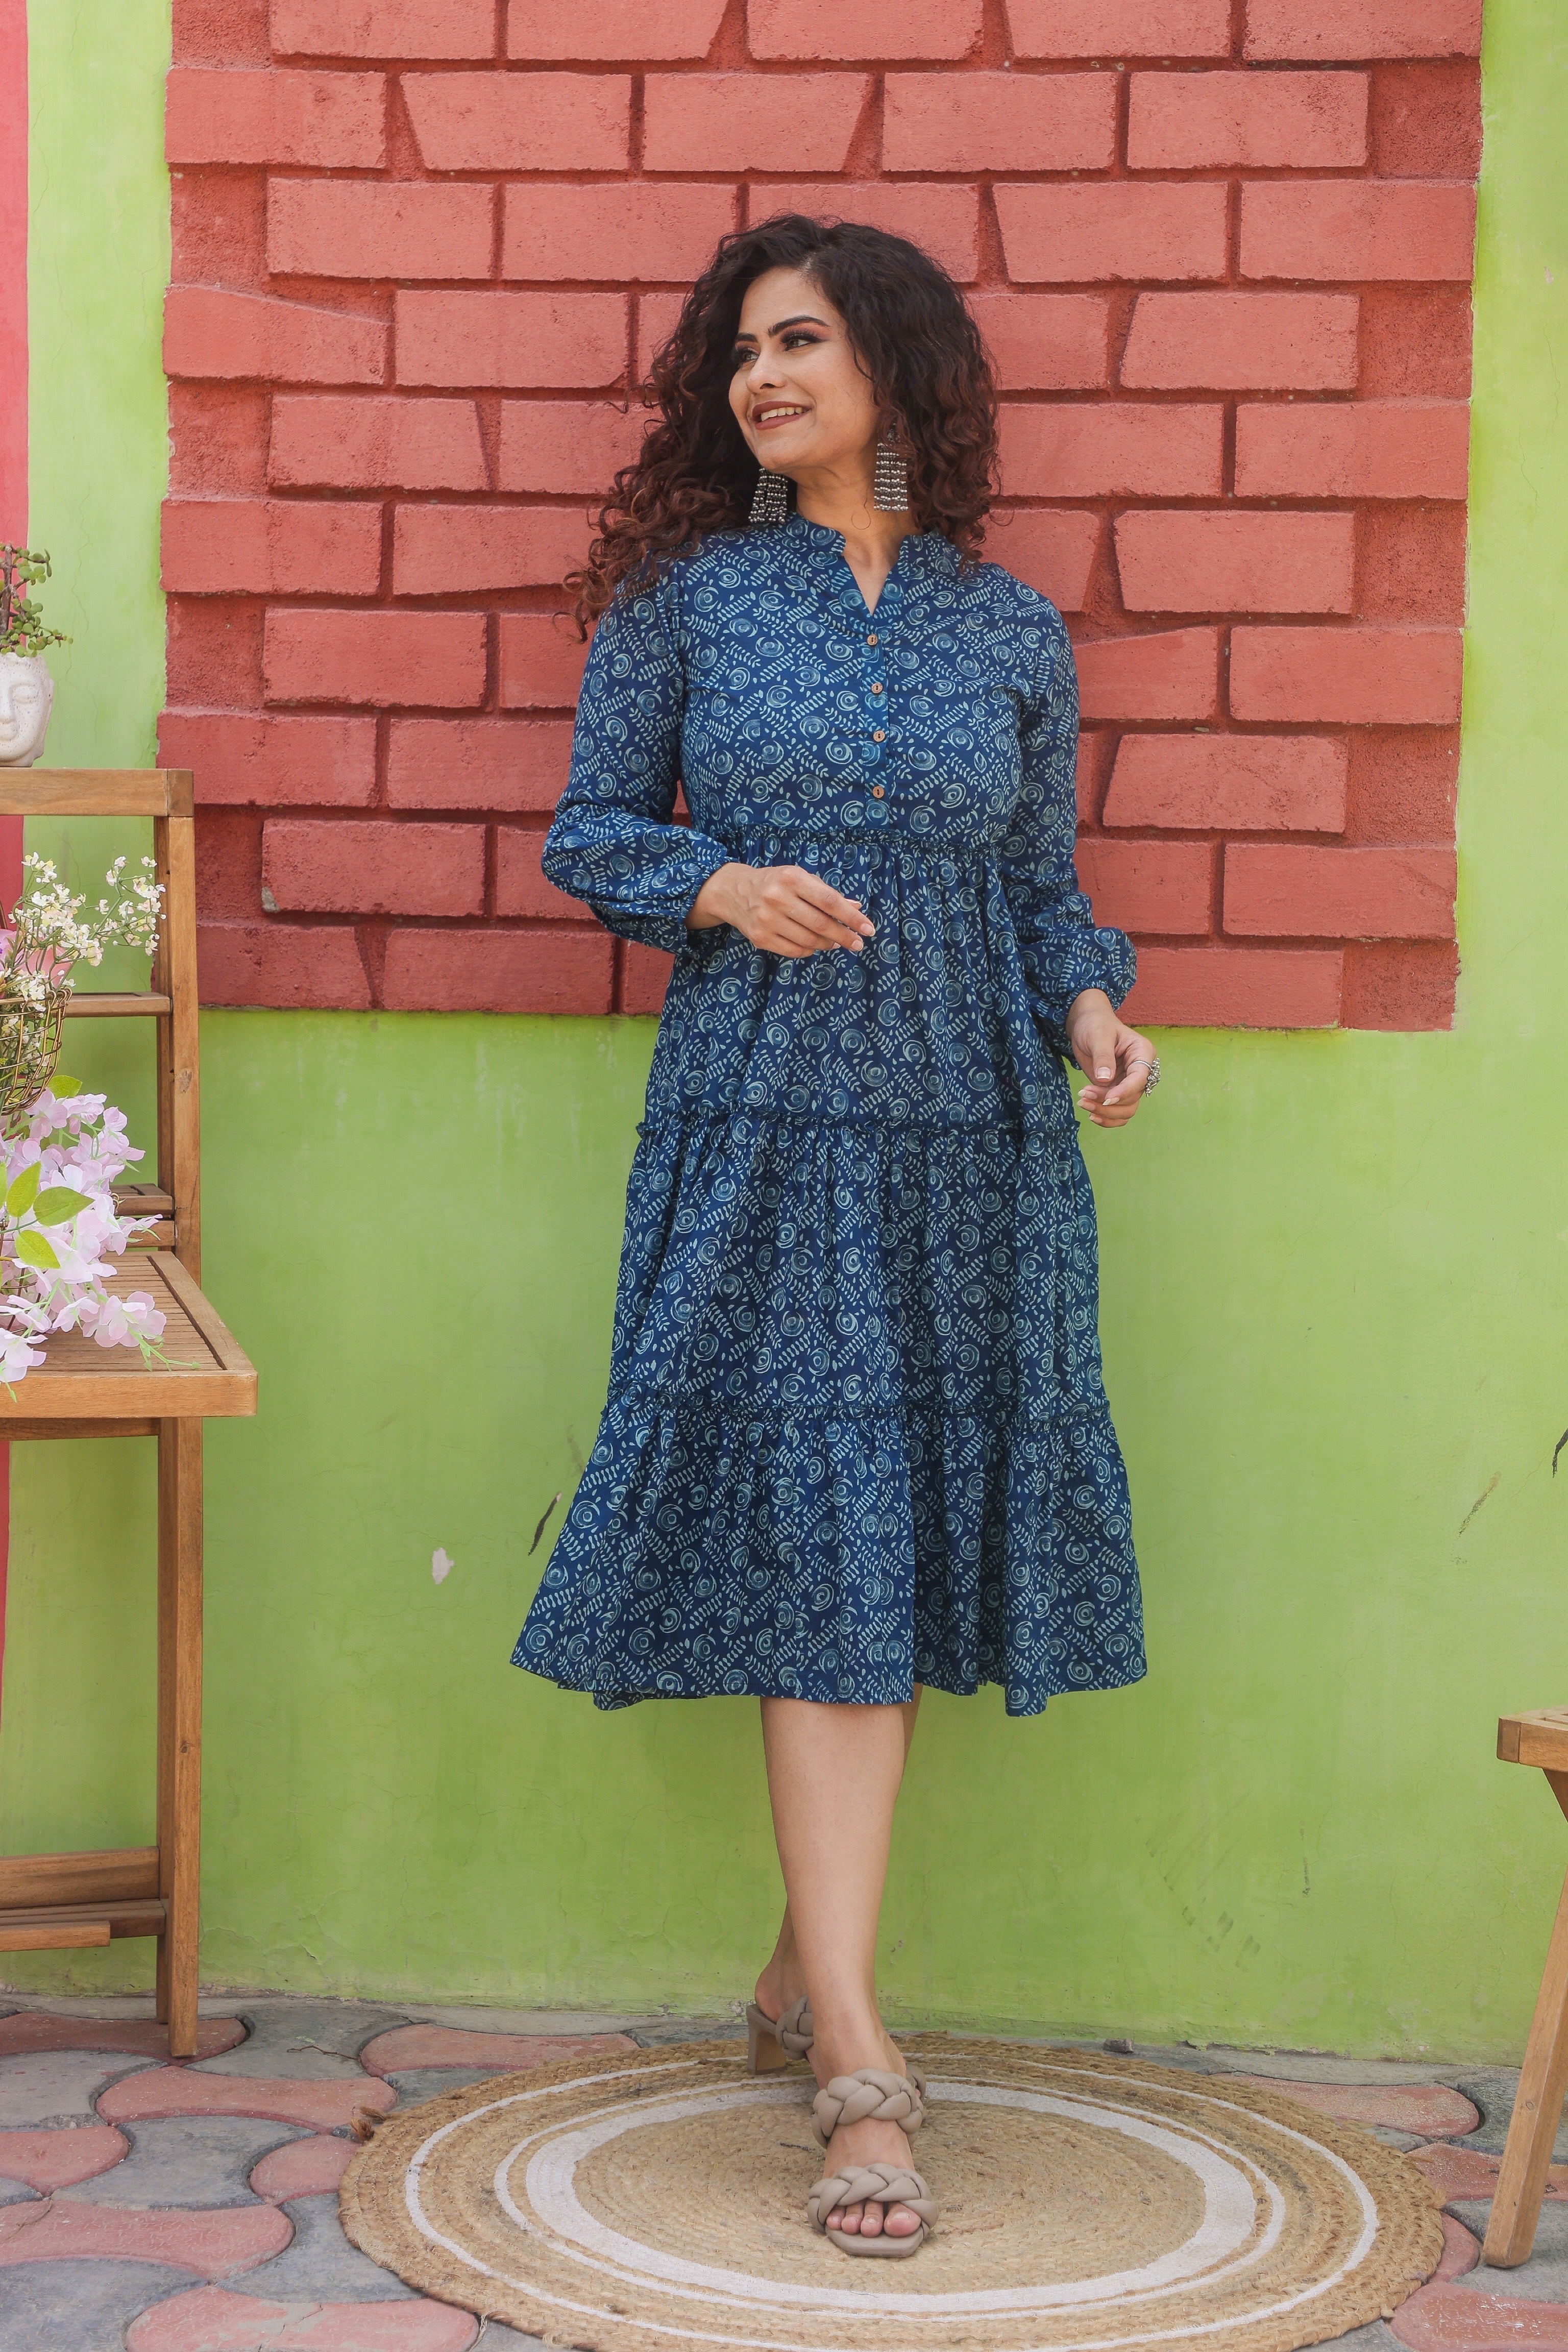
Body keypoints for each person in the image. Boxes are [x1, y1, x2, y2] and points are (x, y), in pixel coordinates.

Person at [512, 214, 1156, 2260]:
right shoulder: (688, 605)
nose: (761, 379)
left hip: (971, 1131)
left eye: (798, 341)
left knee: (898, 1534)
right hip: (768, 1116)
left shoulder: (1011, 630)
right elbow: (590, 833)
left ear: (895, 362)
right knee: (826, 1535)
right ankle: (861, 2062)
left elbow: (1042, 888)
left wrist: (1093, 1006)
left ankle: (808, 1967)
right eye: (741, 352)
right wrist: (717, 887)